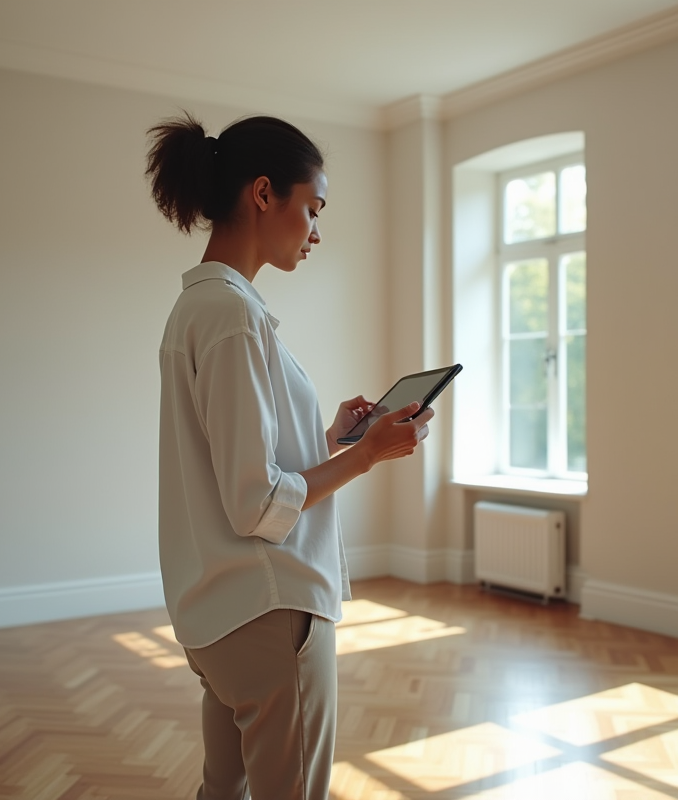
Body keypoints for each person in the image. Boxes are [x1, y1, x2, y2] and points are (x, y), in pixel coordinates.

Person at [147, 112, 434, 800]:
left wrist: (335, 439)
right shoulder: (231, 316)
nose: (316, 230)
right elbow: (256, 503)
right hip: (268, 611)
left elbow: (242, 462)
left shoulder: (206, 309)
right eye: (313, 207)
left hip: (219, 613)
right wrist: (369, 457)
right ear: (264, 192)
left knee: (225, 789)